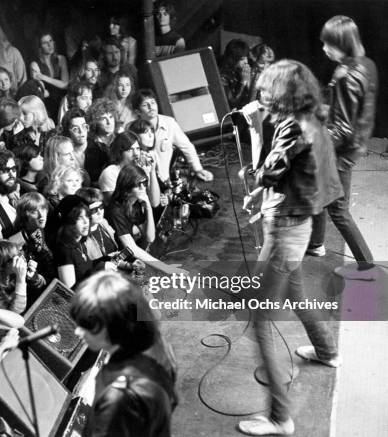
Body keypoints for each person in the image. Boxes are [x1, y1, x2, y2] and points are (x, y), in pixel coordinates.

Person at [238, 60, 344, 436]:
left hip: (285, 229)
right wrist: (259, 196)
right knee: (296, 293)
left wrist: (253, 130)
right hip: (296, 223)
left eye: (267, 90)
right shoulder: (313, 119)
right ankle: (327, 351)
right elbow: (290, 176)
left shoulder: (290, 127)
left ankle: (280, 418)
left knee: (260, 319)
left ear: (281, 93)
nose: (261, 95)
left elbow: (266, 171)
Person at [308, 15, 378, 281]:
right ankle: (315, 244)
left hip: (342, 152)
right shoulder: (365, 64)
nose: (324, 48)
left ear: (342, 43)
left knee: (338, 209)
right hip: (354, 146)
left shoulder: (348, 76)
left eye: (329, 43)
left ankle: (367, 266)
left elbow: (342, 128)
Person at [70, 271, 177, 436]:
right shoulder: (157, 345)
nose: (77, 331)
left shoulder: (118, 395)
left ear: (114, 324)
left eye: (87, 324)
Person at [106, 164, 181, 275]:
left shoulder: (135, 202)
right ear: (127, 186)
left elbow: (150, 237)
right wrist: (165, 267)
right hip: (113, 257)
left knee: (146, 258)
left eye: (145, 183)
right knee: (143, 267)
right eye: (138, 184)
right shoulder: (116, 210)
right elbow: (132, 248)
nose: (143, 188)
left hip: (126, 251)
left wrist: (148, 207)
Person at [133, 88, 213, 183]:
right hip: (143, 181)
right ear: (138, 111)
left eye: (153, 102)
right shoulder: (132, 128)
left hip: (164, 180)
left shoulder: (169, 123)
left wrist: (198, 169)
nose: (151, 107)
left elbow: (187, 147)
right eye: (145, 105)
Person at [29, 31, 70, 119]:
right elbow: (41, 92)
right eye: (45, 43)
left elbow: (65, 84)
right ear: (39, 47)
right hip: (46, 104)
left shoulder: (61, 59)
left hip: (62, 101)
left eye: (50, 41)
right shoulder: (35, 64)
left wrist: (43, 77)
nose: (49, 45)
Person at [85, 98, 118, 182]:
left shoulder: (120, 140)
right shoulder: (89, 145)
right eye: (104, 118)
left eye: (111, 117)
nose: (109, 122)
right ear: (95, 122)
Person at [220, 39, 252, 109]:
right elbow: (232, 102)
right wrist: (243, 82)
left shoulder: (240, 72)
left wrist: (249, 84)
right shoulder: (223, 76)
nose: (246, 62)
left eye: (246, 58)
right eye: (242, 59)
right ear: (231, 59)